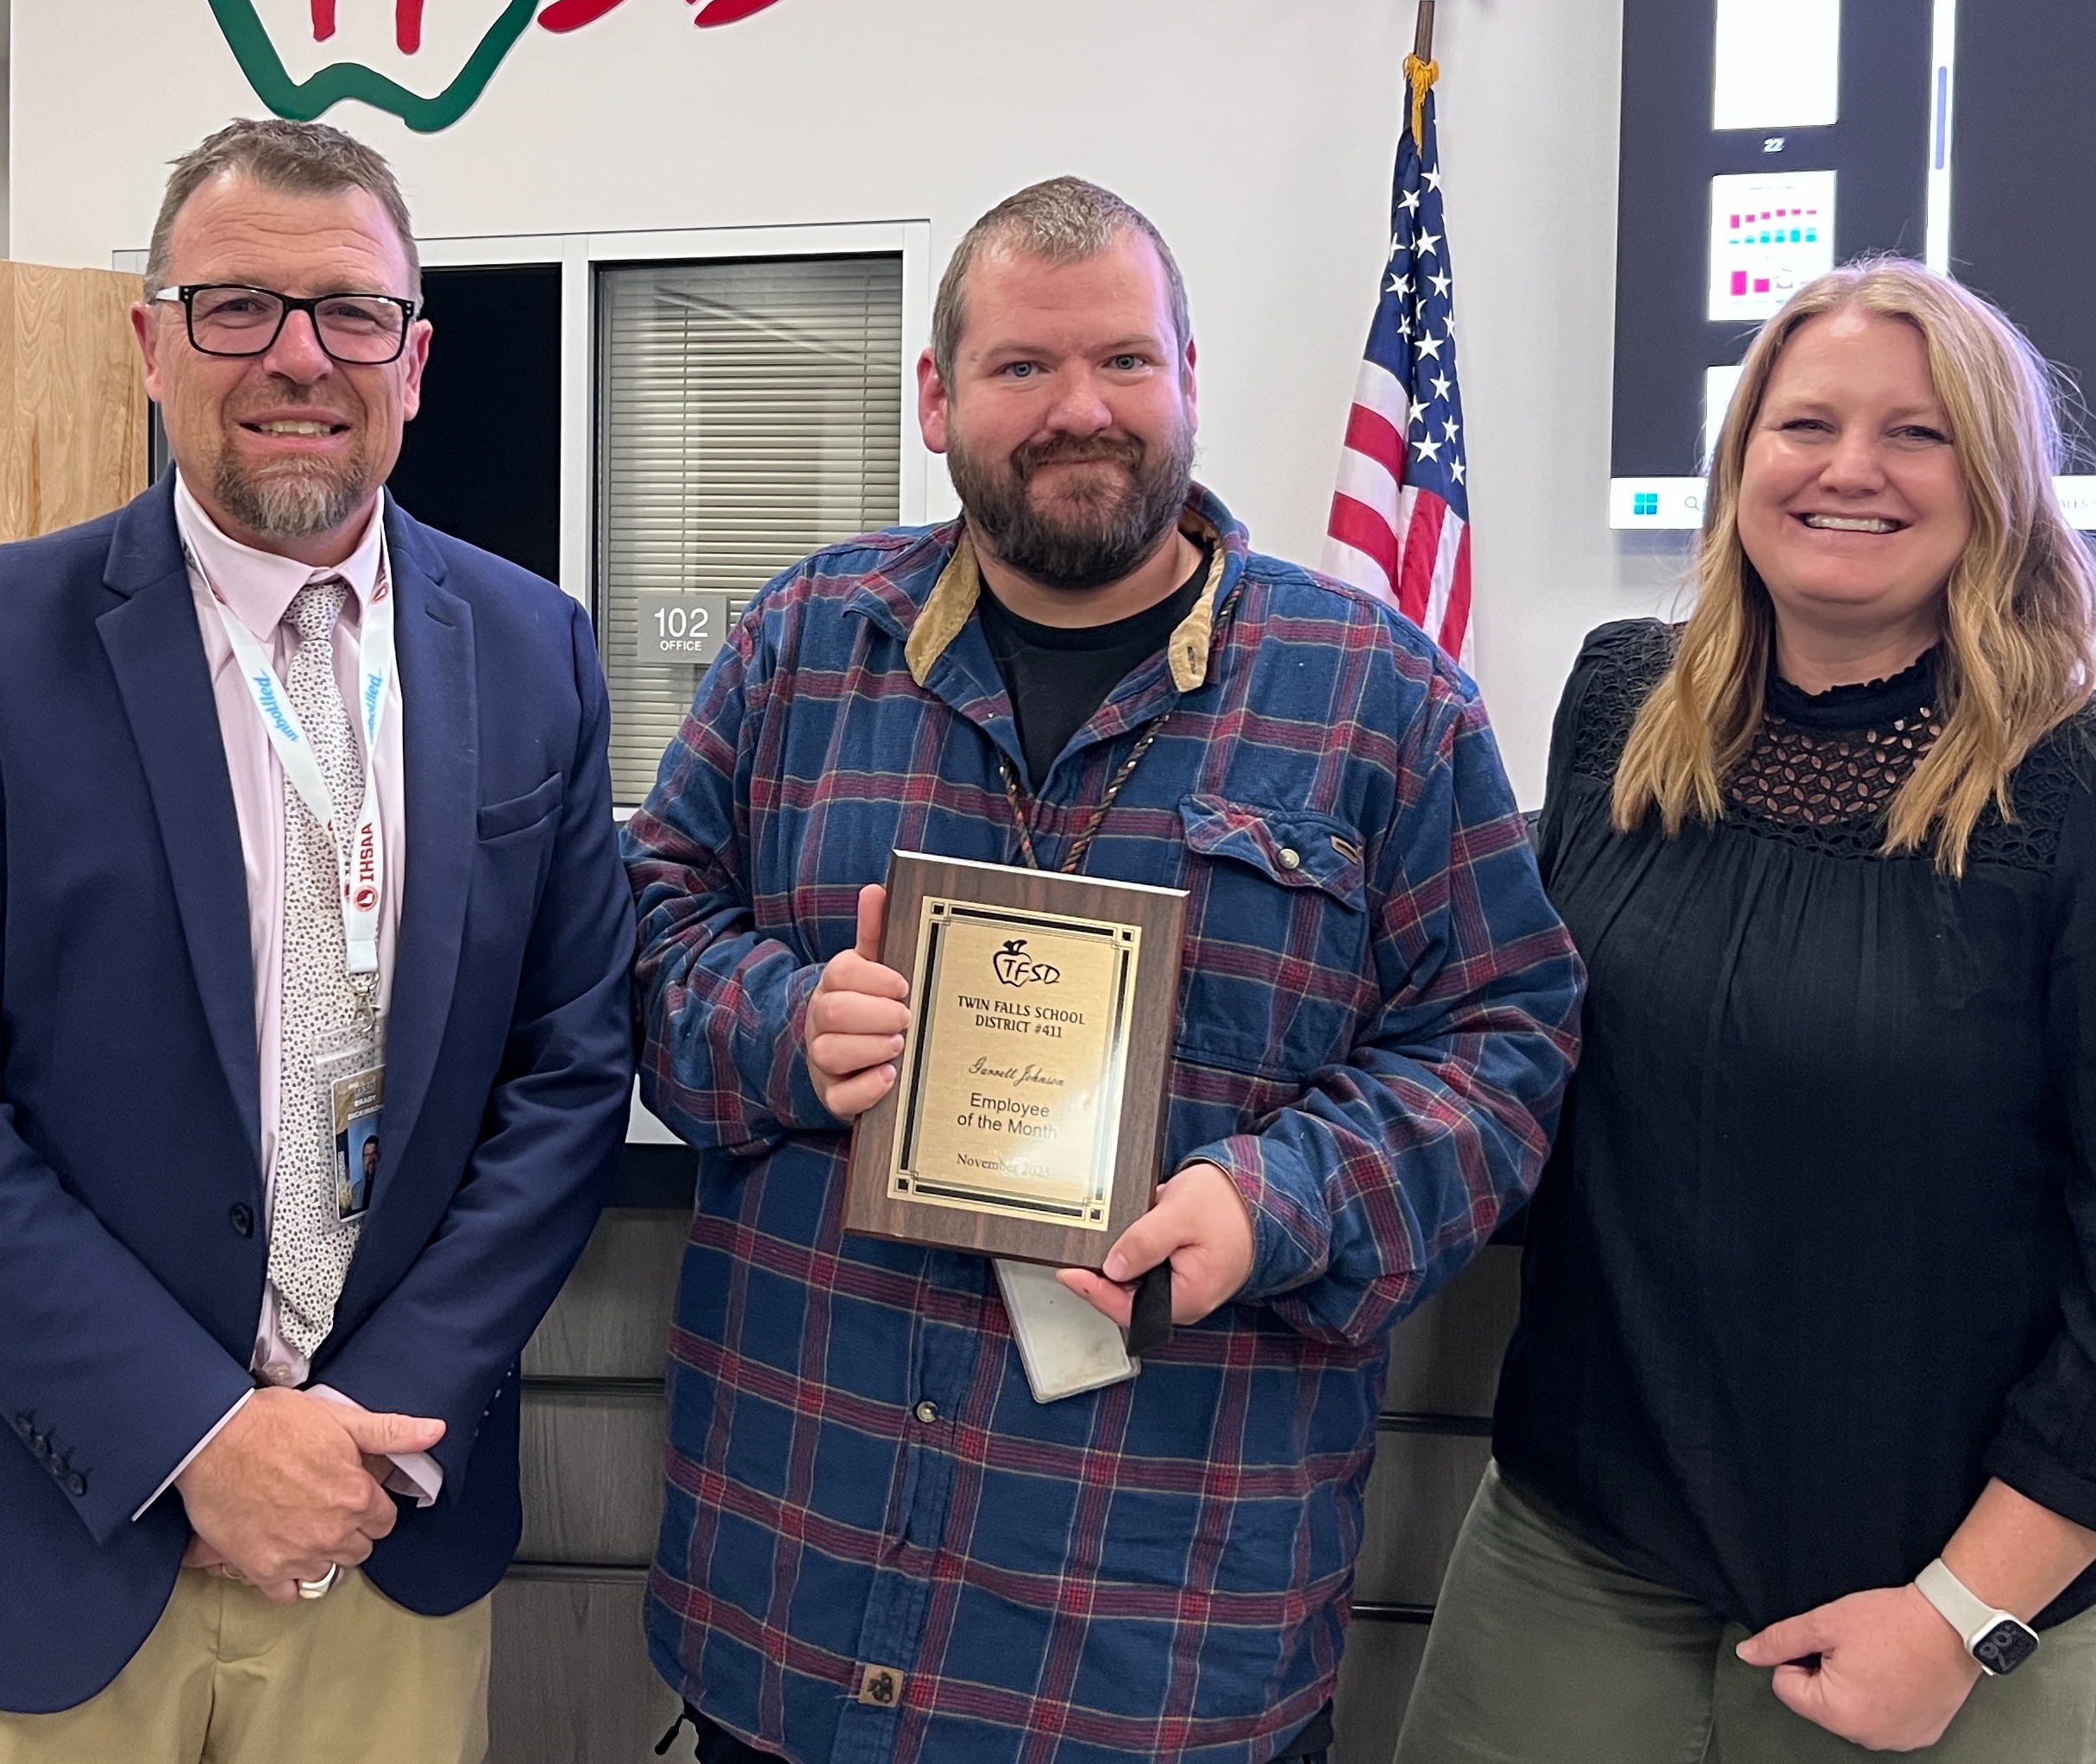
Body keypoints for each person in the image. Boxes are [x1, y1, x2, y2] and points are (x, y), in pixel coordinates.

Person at [625, 176, 1585, 1762]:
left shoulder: (1380, 701)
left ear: (1189, 376)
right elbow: (646, 930)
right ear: (936, 397)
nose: (1081, 407)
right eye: (1023, 365)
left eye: (1124, 360)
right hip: (793, 1594)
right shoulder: (802, 644)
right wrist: (784, 1025)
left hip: (1155, 1641)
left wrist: (1278, 1199)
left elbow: (1501, 1045)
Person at [0, 118, 637, 1763]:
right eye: (236, 306)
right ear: (151, 345)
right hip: (35, 1538)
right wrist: (193, 1434)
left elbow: (571, 1072)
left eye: (351, 310)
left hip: (382, 1528)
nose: (299, 355)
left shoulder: (536, 649)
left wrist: (354, 1439)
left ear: (413, 358)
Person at [1398, 258, 2096, 1764]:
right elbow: (1499, 1030)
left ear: (1998, 485)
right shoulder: (1621, 710)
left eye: (1916, 433)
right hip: (1580, 1547)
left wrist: (1958, 1616)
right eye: (1805, 423)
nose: (1849, 468)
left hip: (1951, 1604)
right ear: (1740, 459)